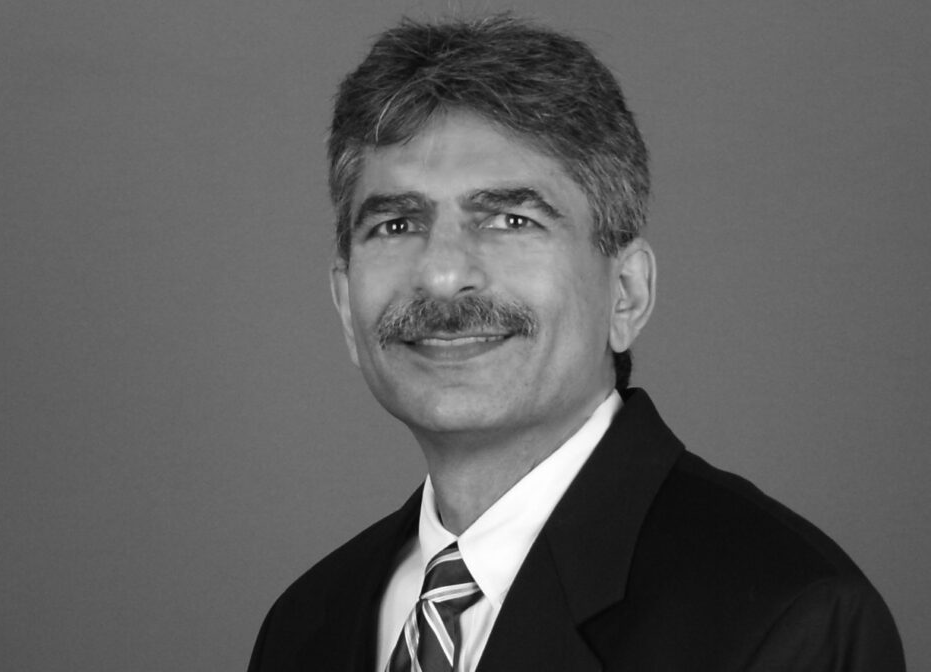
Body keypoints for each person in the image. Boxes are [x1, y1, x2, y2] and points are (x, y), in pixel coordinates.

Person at [247, 14, 905, 671]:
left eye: (511, 219)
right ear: (344, 302)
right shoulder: (305, 627)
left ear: (626, 294)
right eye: (395, 224)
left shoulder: (791, 621)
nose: (443, 274)